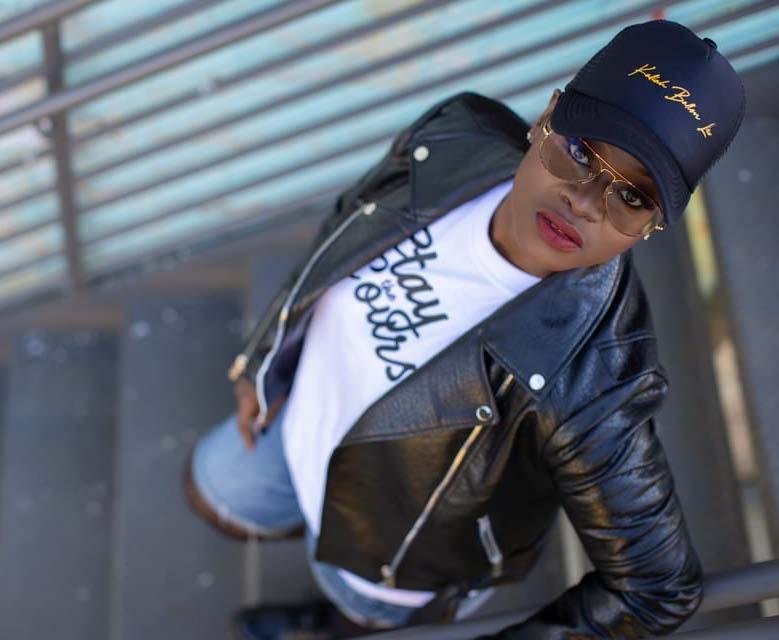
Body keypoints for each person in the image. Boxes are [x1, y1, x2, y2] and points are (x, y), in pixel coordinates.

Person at [185, 19, 745, 639]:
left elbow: (659, 591)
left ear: (650, 229)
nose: (585, 203)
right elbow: (345, 226)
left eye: (633, 198)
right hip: (295, 424)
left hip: (387, 552)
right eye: (582, 152)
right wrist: (265, 359)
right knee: (211, 490)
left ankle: (329, 624)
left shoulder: (597, 377)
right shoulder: (455, 134)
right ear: (547, 117)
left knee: (358, 615)